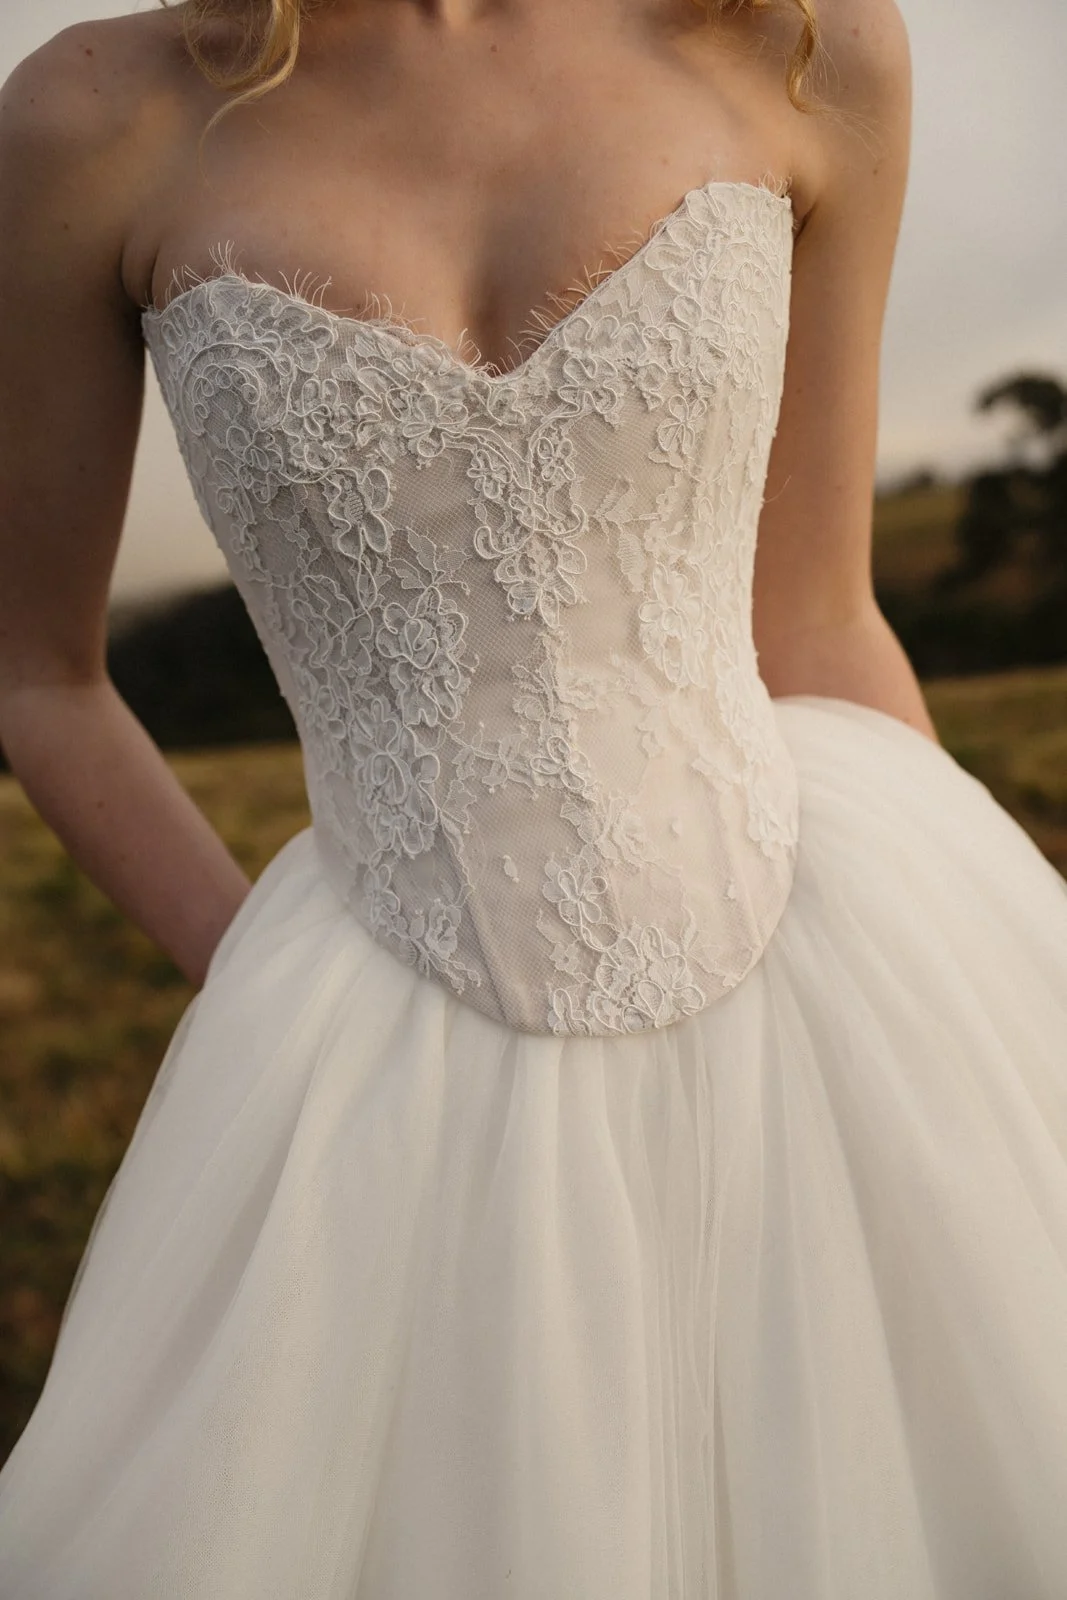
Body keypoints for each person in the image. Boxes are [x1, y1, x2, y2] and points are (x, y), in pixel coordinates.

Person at [0, 0, 1065, 1594]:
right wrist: (276, 1000)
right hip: (380, 1023)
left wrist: (985, 1012)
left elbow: (820, 614)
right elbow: (39, 675)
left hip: (829, 956)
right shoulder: (96, 113)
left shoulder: (795, 41)